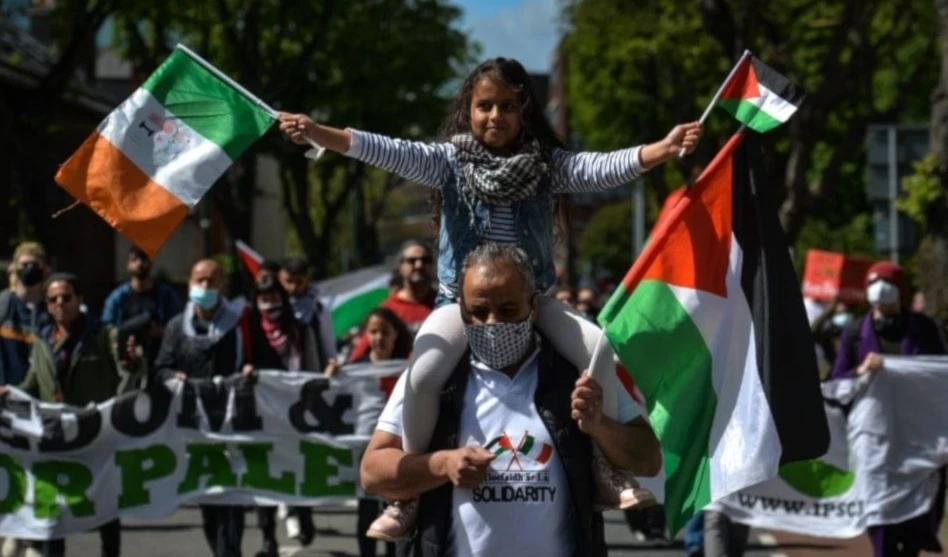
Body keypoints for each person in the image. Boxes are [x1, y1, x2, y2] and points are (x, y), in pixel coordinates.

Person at [279, 57, 698, 538]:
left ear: (524, 112)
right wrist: (318, 132)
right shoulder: (447, 161)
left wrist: (662, 150)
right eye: (484, 106)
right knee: (422, 374)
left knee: (598, 346)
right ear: (468, 110)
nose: (494, 116)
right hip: (463, 306)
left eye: (506, 106)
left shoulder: (547, 166)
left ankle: (607, 468)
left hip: (532, 301)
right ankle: (407, 495)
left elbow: (596, 169)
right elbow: (384, 150)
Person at [359, 244, 662, 556]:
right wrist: (441, 464)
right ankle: (407, 503)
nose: (493, 324)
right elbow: (372, 472)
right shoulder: (436, 377)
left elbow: (650, 459)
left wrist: (600, 426)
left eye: (507, 310)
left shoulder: (577, 374)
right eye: (478, 312)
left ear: (533, 306)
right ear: (460, 309)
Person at [8, 273, 143, 557]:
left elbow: (128, 373)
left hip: (96, 435)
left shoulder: (105, 334)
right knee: (54, 514)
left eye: (66, 298)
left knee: (105, 509)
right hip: (55, 438)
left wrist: (133, 364)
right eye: (53, 299)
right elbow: (33, 385)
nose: (60, 304)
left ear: (79, 300)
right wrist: (9, 395)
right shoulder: (42, 341)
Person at [831, 261, 946, 557]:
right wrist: (860, 371)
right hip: (874, 437)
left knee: (919, 514)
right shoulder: (856, 332)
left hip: (917, 435)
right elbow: (838, 381)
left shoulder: (923, 328)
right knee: (878, 511)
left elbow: (938, 374)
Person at [154, 259, 252, 557]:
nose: (205, 287)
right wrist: (173, 377)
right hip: (196, 430)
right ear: (190, 285)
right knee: (210, 506)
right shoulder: (176, 327)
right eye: (200, 280)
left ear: (223, 286)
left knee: (233, 502)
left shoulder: (240, 323)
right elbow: (161, 368)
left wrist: (250, 368)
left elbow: (258, 358)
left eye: (212, 281)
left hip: (233, 425)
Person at [246, 275, 321, 556]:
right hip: (261, 413)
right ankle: (268, 538)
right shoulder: (249, 332)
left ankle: (303, 513)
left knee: (297, 468)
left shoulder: (300, 330)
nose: (269, 305)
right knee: (263, 476)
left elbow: (313, 365)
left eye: (274, 299)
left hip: (297, 413)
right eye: (263, 300)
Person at [347, 308, 413, 557]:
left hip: (396, 450)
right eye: (373, 332)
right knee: (366, 511)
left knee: (393, 511)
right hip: (364, 450)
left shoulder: (408, 368)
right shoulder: (355, 369)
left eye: (385, 332)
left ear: (396, 334)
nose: (379, 338)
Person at [347, 241, 437, 363]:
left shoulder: (445, 305)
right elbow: (358, 357)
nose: (419, 265)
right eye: (411, 261)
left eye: (425, 260)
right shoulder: (388, 310)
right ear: (400, 267)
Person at [101, 246, 183, 378]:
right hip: (127, 363)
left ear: (151, 262)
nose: (139, 264)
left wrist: (161, 333)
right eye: (134, 260)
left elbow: (180, 327)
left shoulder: (166, 295)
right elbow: (106, 329)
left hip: (162, 361)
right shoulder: (118, 297)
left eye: (143, 259)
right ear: (128, 265)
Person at [0, 241, 51, 387]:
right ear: (14, 267)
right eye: (25, 264)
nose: (30, 269)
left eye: (35, 265)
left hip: (38, 394)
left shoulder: (51, 308)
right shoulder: (3, 305)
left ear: (45, 269)